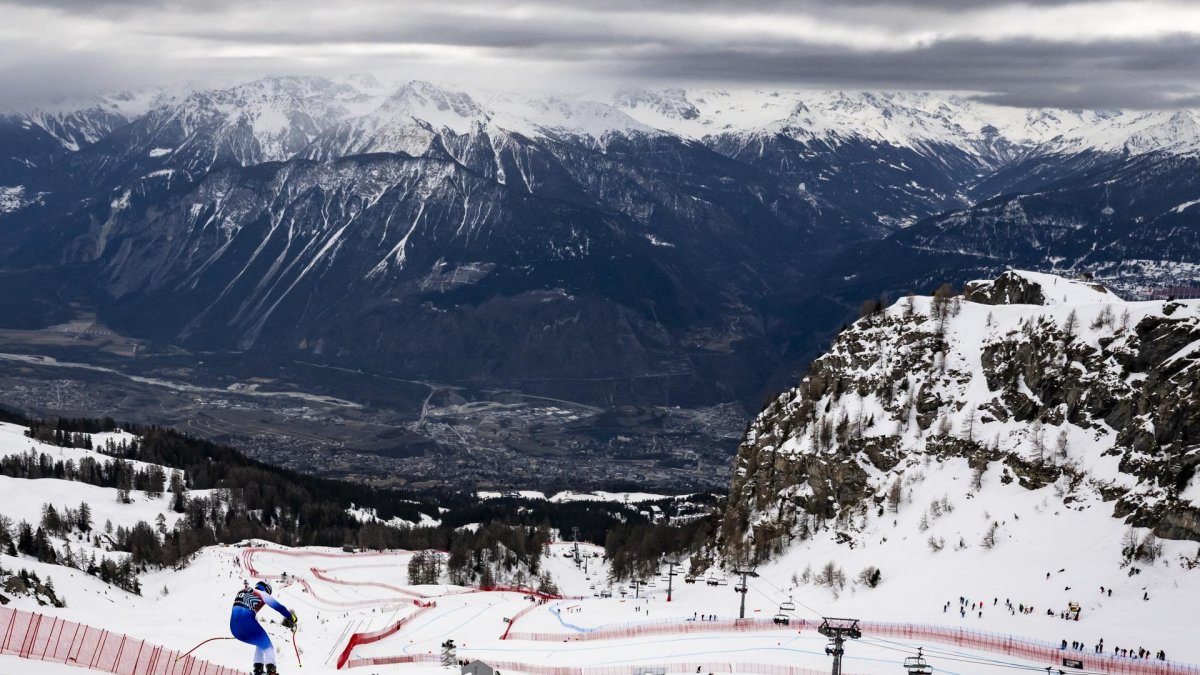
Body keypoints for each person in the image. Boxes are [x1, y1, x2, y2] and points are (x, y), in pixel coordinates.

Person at [230, 580, 298, 675]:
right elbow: (279, 607)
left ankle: (258, 670)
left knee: (261, 644)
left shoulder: (242, 591)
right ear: (266, 589)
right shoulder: (262, 594)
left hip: (234, 628)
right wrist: (292, 617)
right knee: (268, 647)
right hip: (247, 624)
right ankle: (271, 671)